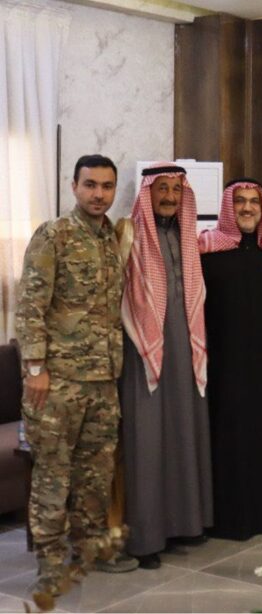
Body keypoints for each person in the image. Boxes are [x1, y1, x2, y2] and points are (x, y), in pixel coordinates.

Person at [16, 155, 136, 606]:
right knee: (52, 477)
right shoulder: (54, 235)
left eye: (106, 186)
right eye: (90, 185)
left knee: (96, 474)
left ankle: (86, 553)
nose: (98, 194)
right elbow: (29, 304)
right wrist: (35, 369)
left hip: (103, 380)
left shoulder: (111, 239)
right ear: (74, 186)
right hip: (57, 382)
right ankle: (49, 567)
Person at [120, 162, 213, 569]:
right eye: (162, 190)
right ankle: (146, 538)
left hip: (184, 350)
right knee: (148, 440)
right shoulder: (127, 234)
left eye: (177, 190)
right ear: (147, 192)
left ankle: (182, 524)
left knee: (181, 432)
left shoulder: (186, 236)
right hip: (142, 352)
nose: (171, 197)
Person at [198, 178, 262, 540]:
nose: (247, 208)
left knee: (257, 435)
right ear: (228, 209)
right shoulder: (207, 251)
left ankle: (261, 515)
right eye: (240, 202)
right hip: (220, 363)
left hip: (259, 363)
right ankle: (225, 518)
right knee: (225, 436)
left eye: (253, 201)